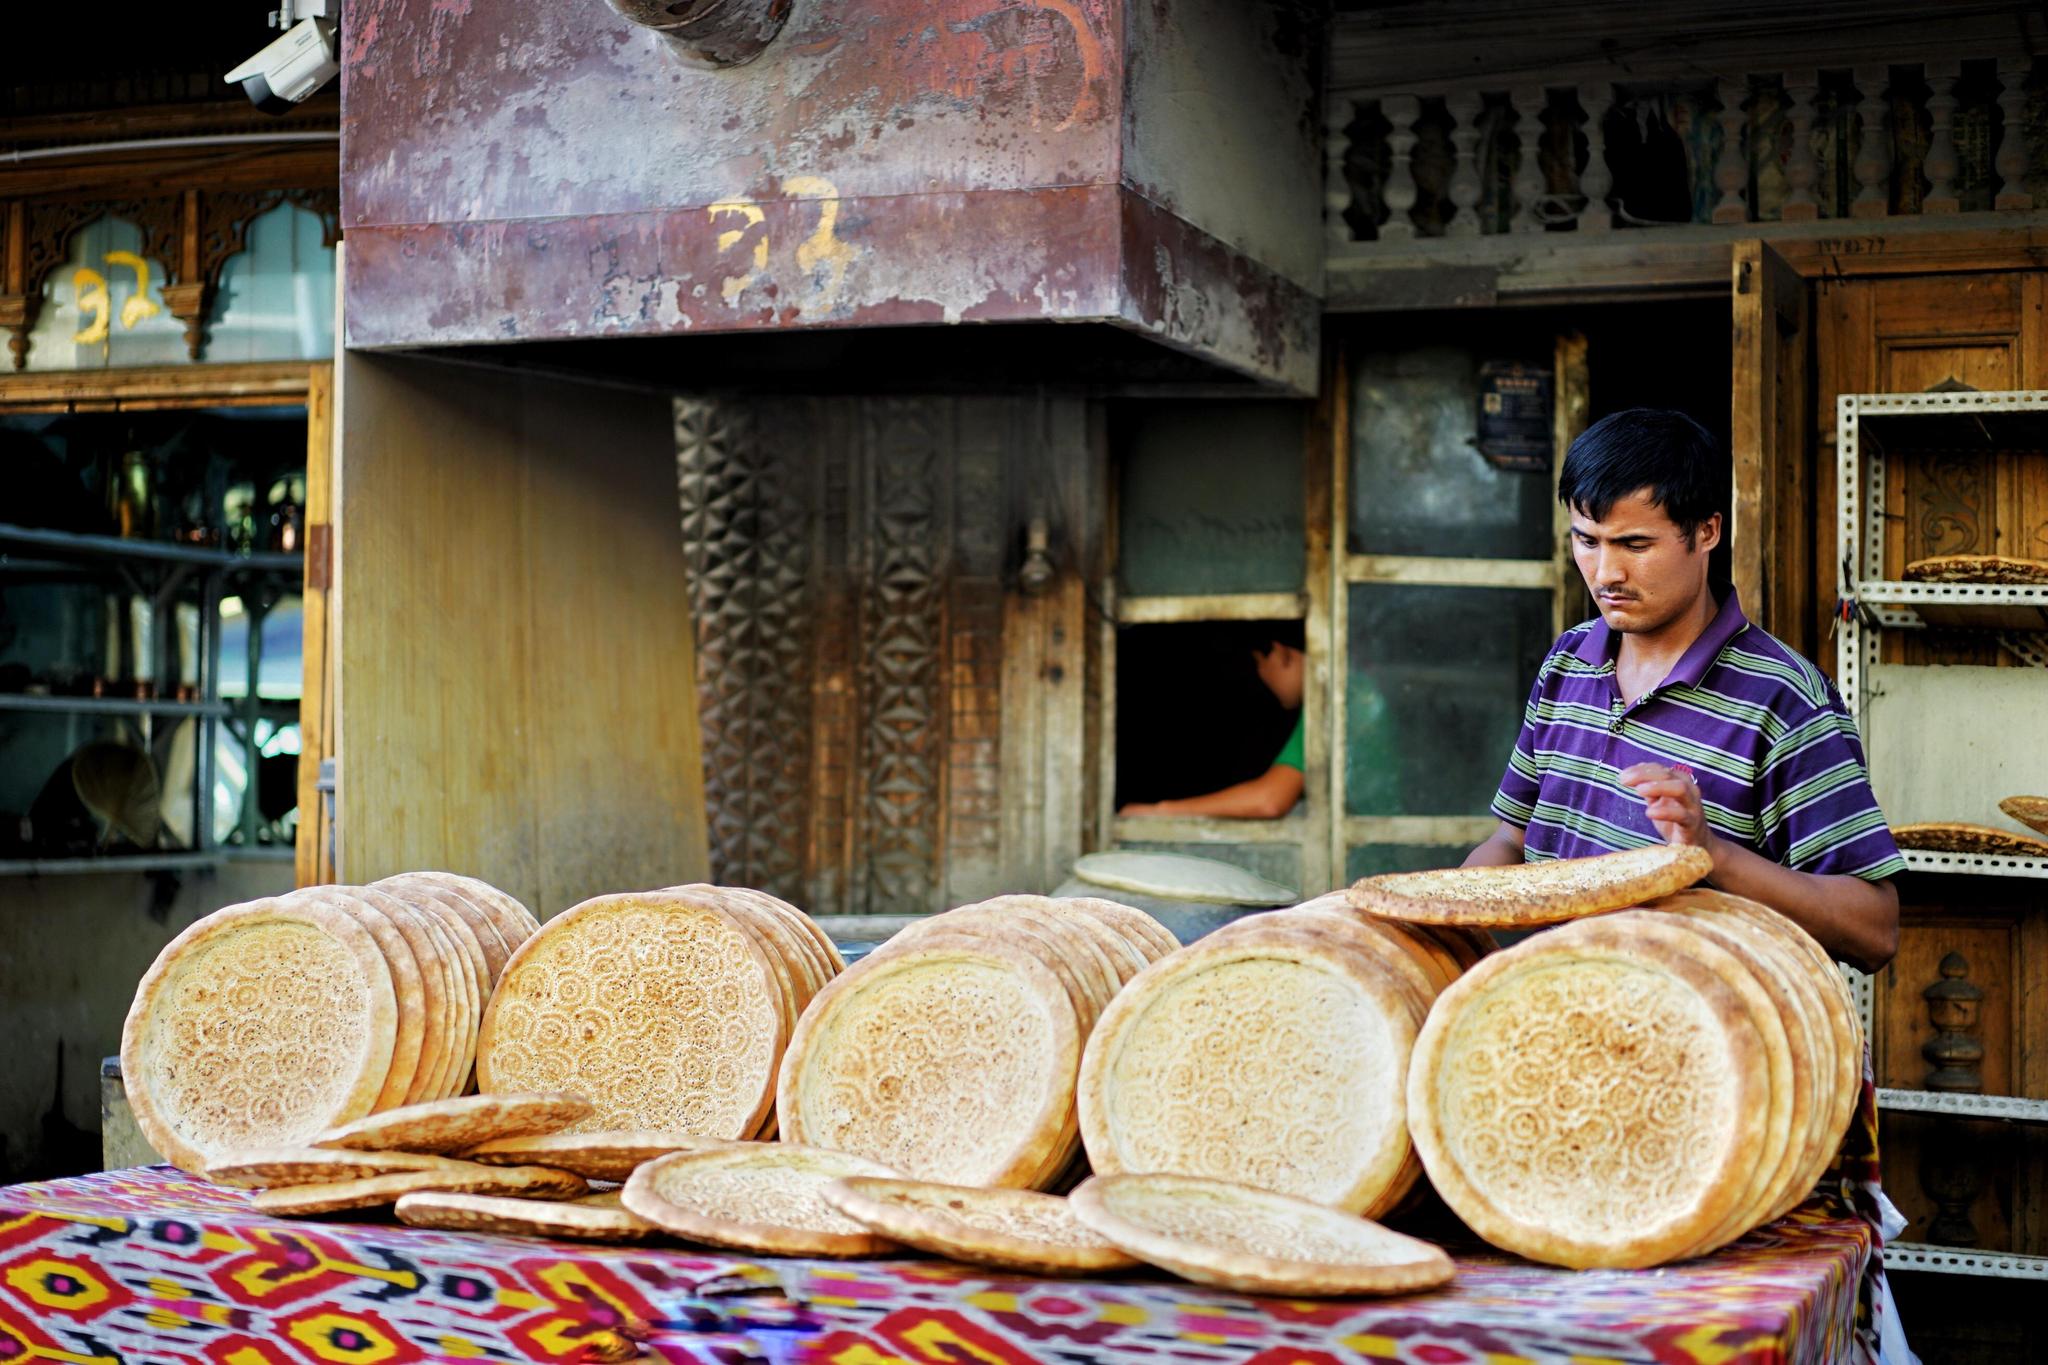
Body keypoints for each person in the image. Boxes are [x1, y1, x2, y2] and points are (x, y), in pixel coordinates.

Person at [1467, 407, 1912, 1363]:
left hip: (1709, 1099)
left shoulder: (1784, 698)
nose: (1605, 571)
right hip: (1551, 1071)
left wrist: (1716, 854)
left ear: (1708, 530)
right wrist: (1424, 931)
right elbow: (1508, 840)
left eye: (1635, 544)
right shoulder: (1566, 663)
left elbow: (1875, 926)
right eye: (1586, 540)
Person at [1117, 623, 1305, 819]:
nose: (1262, 675)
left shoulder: (1319, 712)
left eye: (1259, 664)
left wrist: (1159, 810)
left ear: (1280, 653)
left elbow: (1270, 801)